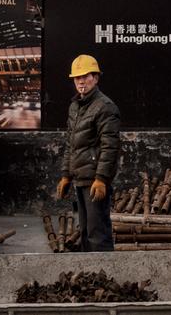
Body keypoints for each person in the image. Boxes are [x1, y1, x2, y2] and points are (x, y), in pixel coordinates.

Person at [55, 54, 121, 252]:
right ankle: (89, 277)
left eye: (86, 76)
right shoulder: (75, 107)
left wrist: (101, 179)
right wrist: (66, 175)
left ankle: (105, 276)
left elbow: (110, 147)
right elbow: (71, 144)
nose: (81, 81)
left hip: (94, 182)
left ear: (96, 78)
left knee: (97, 232)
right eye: (77, 77)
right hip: (80, 180)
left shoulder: (105, 107)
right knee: (85, 231)